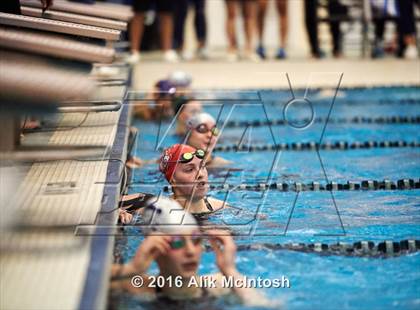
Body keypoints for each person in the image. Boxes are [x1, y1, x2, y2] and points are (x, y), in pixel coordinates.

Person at [111, 196, 271, 306]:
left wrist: (229, 270)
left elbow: (263, 306)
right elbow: (87, 277)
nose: (190, 251)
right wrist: (132, 269)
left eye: (196, 240)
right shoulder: (134, 288)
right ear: (155, 249)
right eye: (177, 243)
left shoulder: (219, 284)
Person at [159, 144, 227, 217]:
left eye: (202, 166)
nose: (200, 174)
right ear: (173, 179)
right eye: (190, 170)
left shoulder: (221, 208)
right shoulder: (161, 215)